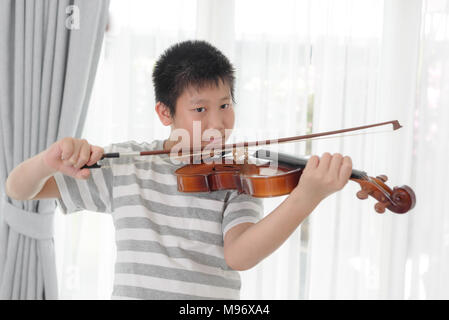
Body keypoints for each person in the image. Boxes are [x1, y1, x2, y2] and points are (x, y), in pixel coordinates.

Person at [5, 40, 352, 299]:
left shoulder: (236, 176)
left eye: (225, 105)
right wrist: (47, 161)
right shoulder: (128, 164)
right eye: (200, 109)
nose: (217, 122)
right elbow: (19, 190)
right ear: (165, 113)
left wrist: (305, 198)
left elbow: (240, 254)